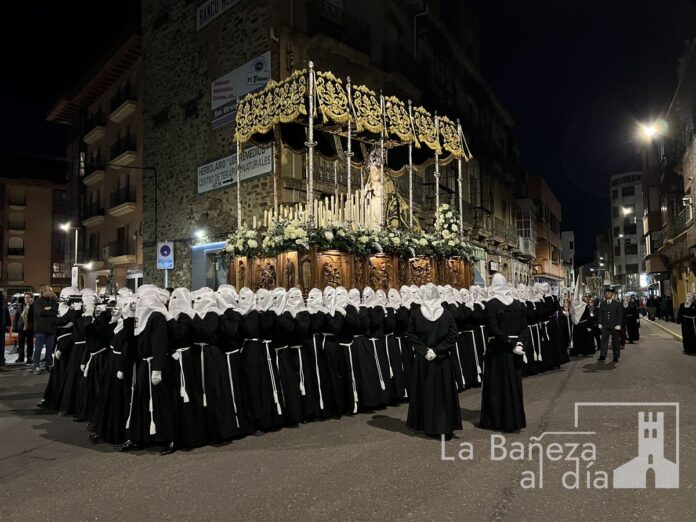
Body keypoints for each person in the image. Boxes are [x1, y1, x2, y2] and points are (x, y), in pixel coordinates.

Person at [406, 283, 461, 439]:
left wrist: (425, 351)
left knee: (426, 392)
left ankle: (426, 425)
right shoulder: (446, 314)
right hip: (441, 359)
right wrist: (438, 350)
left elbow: (411, 335)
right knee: (443, 393)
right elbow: (453, 335)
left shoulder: (416, 314)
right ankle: (444, 426)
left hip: (424, 359)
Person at [479, 273, 527, 432]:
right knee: (513, 383)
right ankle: (514, 418)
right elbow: (524, 327)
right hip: (514, 350)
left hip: (498, 349)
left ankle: (497, 420)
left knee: (496, 384)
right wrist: (519, 343)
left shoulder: (491, 304)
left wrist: (510, 342)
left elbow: (493, 328)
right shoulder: (518, 304)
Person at [33, 285, 59, 374]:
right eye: (49, 290)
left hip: (51, 328)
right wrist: (52, 312)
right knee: (38, 349)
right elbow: (40, 312)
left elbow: (57, 311)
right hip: (40, 329)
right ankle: (36, 366)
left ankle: (49, 365)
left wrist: (49, 310)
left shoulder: (54, 301)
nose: (51, 292)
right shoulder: (38, 301)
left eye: (51, 290)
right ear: (43, 292)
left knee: (50, 349)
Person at [598, 288, 623, 362]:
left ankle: (616, 356)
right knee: (604, 340)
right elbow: (600, 314)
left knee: (615, 341)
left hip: (614, 325)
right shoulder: (602, 303)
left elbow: (620, 315)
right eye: (606, 293)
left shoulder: (617, 303)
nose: (607, 294)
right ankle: (603, 355)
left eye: (608, 293)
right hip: (605, 325)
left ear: (612, 294)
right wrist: (599, 323)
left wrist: (619, 324)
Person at [14, 292, 35, 364]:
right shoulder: (21, 306)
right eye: (25, 297)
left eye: (28, 297)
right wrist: (15, 327)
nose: (26, 299)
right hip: (21, 327)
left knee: (30, 344)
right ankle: (21, 358)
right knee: (21, 343)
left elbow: (36, 318)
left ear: (32, 298)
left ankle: (29, 358)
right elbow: (16, 317)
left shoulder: (34, 306)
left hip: (30, 328)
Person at [0, 291, 6, 371]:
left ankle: (1, 364)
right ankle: (1, 364)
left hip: (2, 327)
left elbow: (5, 313)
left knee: (1, 347)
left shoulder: (3, 303)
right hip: (2, 326)